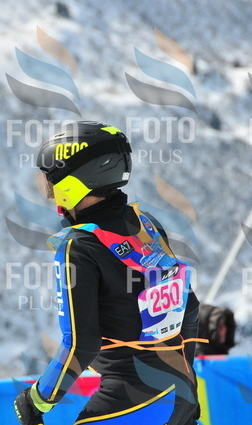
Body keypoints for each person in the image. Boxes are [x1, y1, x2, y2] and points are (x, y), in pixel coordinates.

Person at [14, 122, 202, 425]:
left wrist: (36, 400)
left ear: (74, 179)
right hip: (178, 392)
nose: (48, 189)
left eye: (50, 177)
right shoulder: (145, 224)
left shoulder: (77, 247)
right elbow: (189, 309)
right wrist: (188, 385)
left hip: (133, 400)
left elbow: (80, 343)